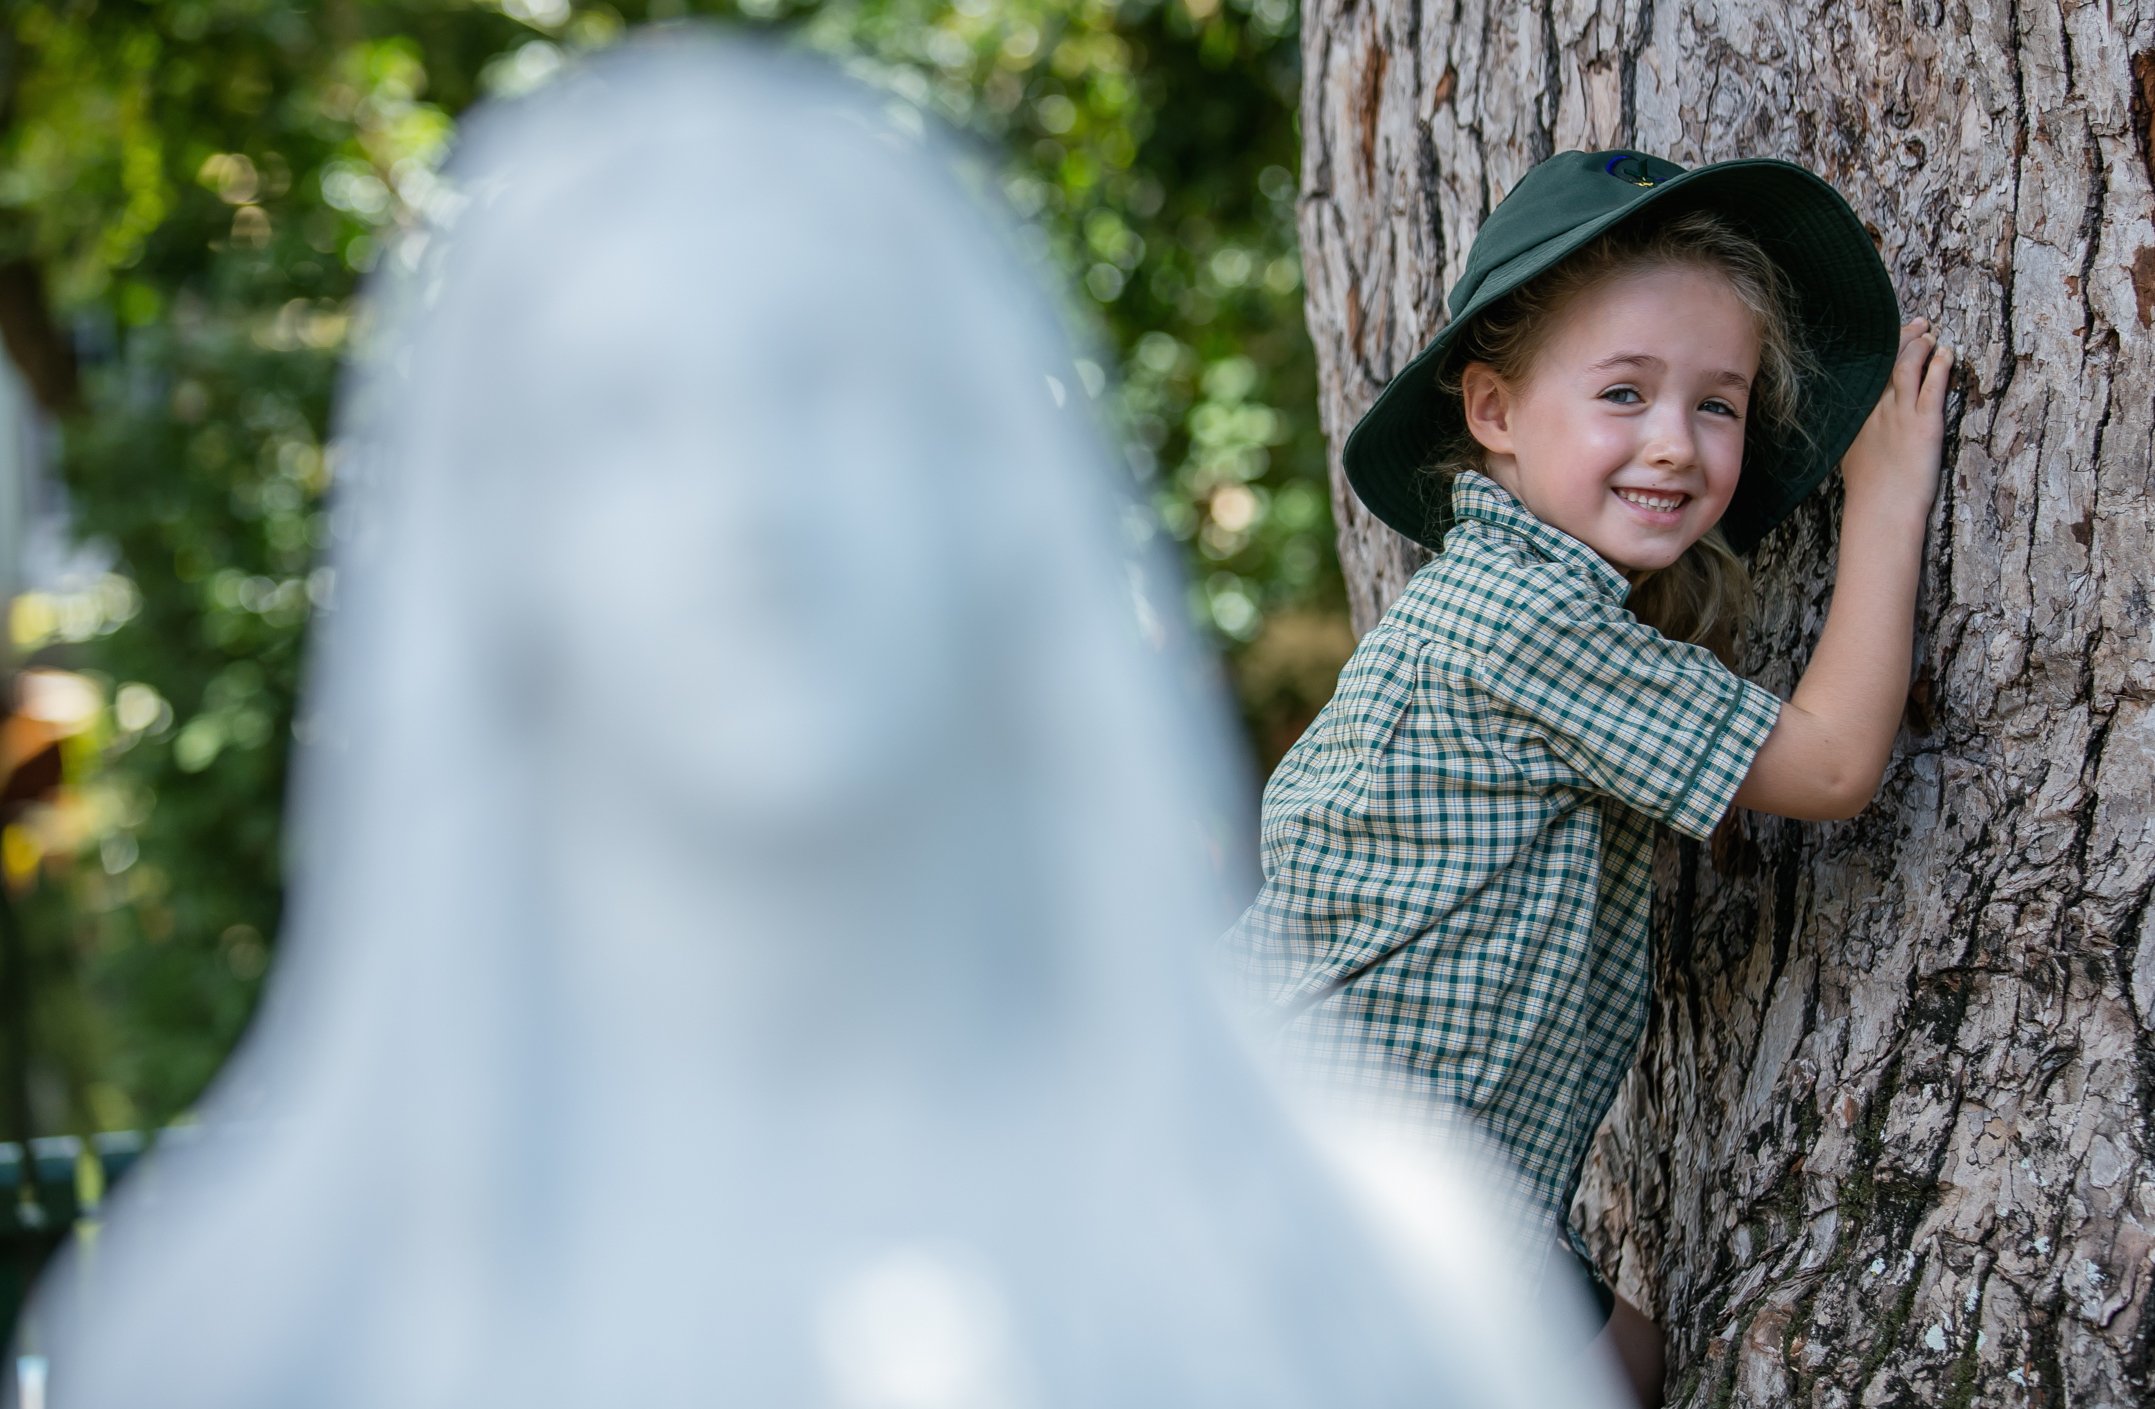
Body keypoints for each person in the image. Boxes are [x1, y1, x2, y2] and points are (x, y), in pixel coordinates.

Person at [19, 34, 1627, 1409]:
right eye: (624, 417)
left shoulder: (1362, 1270)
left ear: (978, 489)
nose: (745, 508)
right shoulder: (246, 1324)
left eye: (823, 388)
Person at [1223, 148, 1953, 1407]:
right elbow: (1832, 764)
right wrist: (1886, 496)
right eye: (1623, 391)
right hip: (1340, 1190)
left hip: (1371, 1168)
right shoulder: (1526, 622)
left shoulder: (1514, 599)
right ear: (1494, 411)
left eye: (1717, 404)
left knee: (1631, 1366)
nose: (1674, 444)